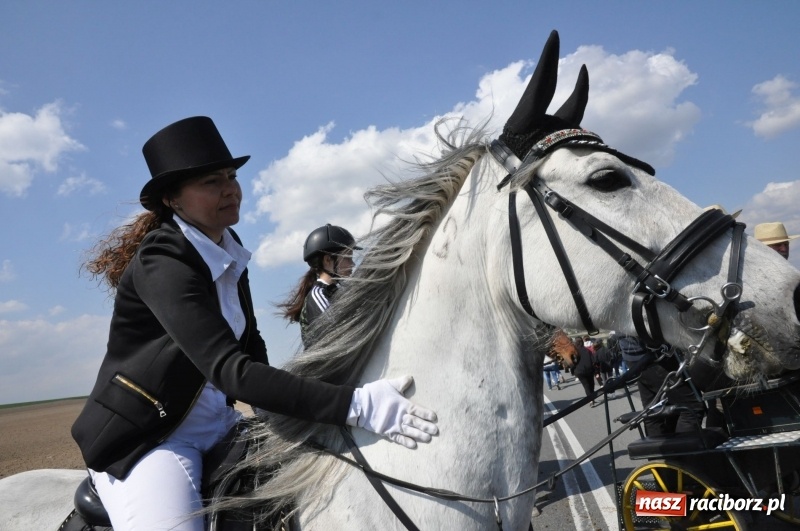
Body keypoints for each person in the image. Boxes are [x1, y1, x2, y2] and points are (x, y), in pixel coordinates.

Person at [71, 116, 438, 531]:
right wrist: (355, 406)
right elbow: (231, 371)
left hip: (216, 424)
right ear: (173, 201)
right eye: (211, 182)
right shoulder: (163, 260)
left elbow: (251, 345)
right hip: (147, 440)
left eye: (231, 176)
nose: (231, 188)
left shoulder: (228, 245)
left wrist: (280, 414)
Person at [280, 223, 361, 346]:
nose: (352, 264)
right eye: (347, 258)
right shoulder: (318, 295)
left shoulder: (337, 291)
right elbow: (340, 334)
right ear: (328, 260)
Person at [618, 335, 705, 436]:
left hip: (634, 355)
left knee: (653, 413)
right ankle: (680, 450)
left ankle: (657, 449)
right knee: (692, 407)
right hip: (651, 354)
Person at [572, 337, 600, 407]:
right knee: (591, 384)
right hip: (589, 370)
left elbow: (572, 363)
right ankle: (592, 397)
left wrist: (573, 371)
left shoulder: (574, 352)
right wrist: (596, 371)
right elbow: (593, 361)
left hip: (580, 371)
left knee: (586, 386)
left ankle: (590, 400)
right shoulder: (587, 350)